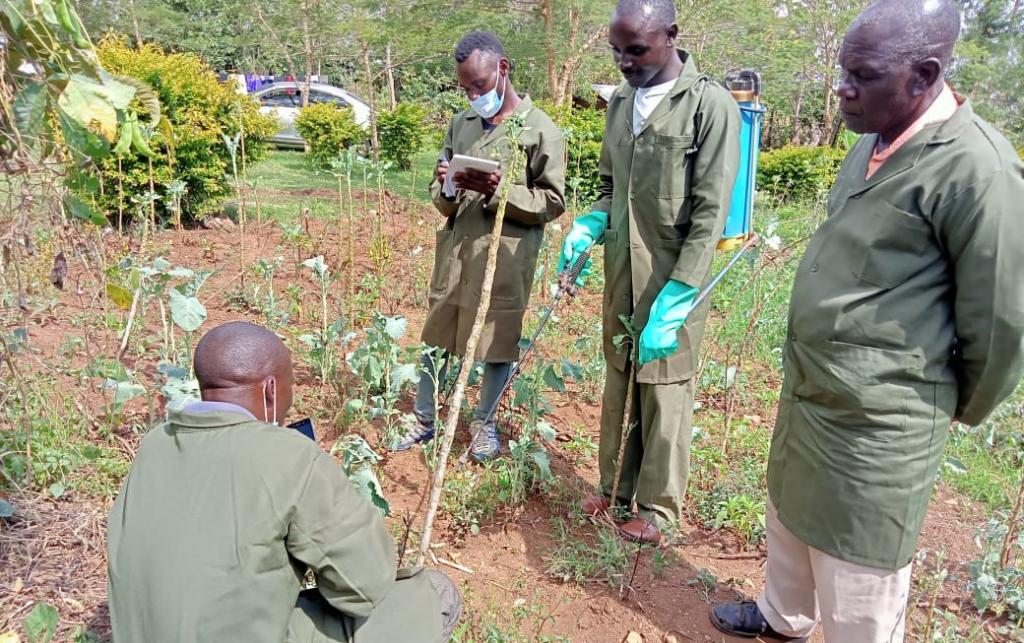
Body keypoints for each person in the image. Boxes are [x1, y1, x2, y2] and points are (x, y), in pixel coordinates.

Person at [711, 1, 1024, 640]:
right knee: (791, 518)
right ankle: (783, 616)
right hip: (814, 393)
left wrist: (938, 401)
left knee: (859, 575)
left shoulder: (977, 170)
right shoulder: (872, 141)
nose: (843, 89)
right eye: (842, 70)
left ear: (924, 74)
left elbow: (1000, 321)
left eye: (864, 75)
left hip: (882, 421)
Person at [107, 321, 462, 643]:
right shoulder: (288, 455)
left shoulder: (154, 444)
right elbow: (364, 587)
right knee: (434, 595)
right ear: (271, 389)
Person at [559, 0, 739, 544]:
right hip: (622, 269)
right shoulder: (619, 103)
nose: (624, 62)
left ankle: (657, 510)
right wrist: (591, 223)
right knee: (620, 374)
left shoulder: (709, 105)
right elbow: (611, 186)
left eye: (635, 49)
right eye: (616, 50)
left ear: (670, 36)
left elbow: (711, 212)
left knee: (664, 387)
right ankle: (614, 488)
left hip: (672, 275)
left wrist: (683, 290)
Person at [391, 31, 566, 462]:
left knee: (496, 341)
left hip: (503, 256)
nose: (474, 95)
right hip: (457, 251)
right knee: (437, 333)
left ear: (503, 70)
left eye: (480, 85)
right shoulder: (461, 125)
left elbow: (553, 201)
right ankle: (424, 418)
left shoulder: (539, 129)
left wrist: (499, 189)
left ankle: (483, 424)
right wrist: (447, 184)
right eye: (466, 88)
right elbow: (440, 197)